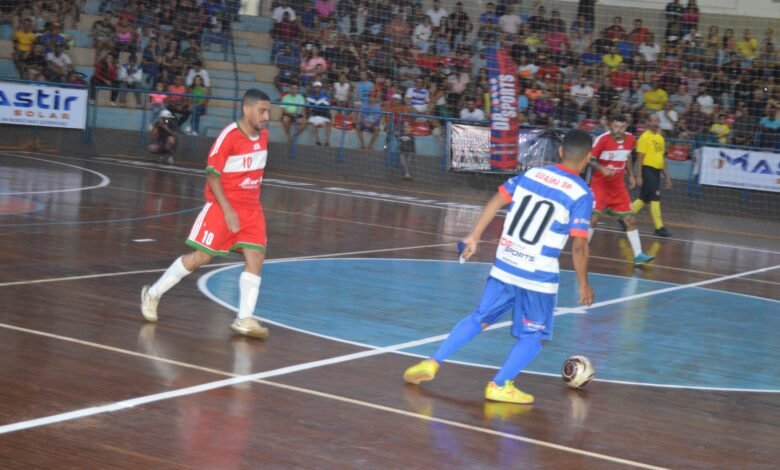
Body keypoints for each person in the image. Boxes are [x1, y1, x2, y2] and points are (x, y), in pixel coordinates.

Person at [402, 130, 596, 404]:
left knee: (479, 317)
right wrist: (583, 283)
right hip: (537, 276)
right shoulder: (582, 194)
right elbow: (579, 245)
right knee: (536, 335)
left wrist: (474, 235)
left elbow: (497, 199)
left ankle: (433, 362)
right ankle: (500, 384)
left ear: (561, 152)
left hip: (505, 264)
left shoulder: (532, 175)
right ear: (588, 157)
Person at [141, 89, 273, 339]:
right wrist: (227, 209)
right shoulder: (229, 136)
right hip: (224, 206)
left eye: (268, 111)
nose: (267, 116)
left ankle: (244, 318)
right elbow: (212, 175)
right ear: (247, 109)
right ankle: (153, 293)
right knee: (200, 257)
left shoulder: (264, 136)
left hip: (252, 208)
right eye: (262, 110)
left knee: (255, 257)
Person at [588, 114, 655, 265]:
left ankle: (638, 255)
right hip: (600, 184)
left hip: (618, 186)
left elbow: (628, 156)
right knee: (594, 218)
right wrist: (602, 168)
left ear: (626, 127)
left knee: (630, 220)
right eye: (616, 126)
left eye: (622, 127)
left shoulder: (631, 139)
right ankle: (582, 249)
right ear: (612, 125)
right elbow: (590, 159)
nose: (619, 130)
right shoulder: (603, 139)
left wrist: (630, 174)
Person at [633, 114, 672, 237]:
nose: (655, 123)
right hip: (647, 170)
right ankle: (659, 227)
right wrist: (638, 176)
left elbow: (662, 158)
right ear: (648, 123)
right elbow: (640, 158)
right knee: (655, 197)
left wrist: (667, 176)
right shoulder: (644, 137)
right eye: (652, 120)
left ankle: (623, 216)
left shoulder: (660, 138)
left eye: (657, 120)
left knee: (644, 198)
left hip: (656, 171)